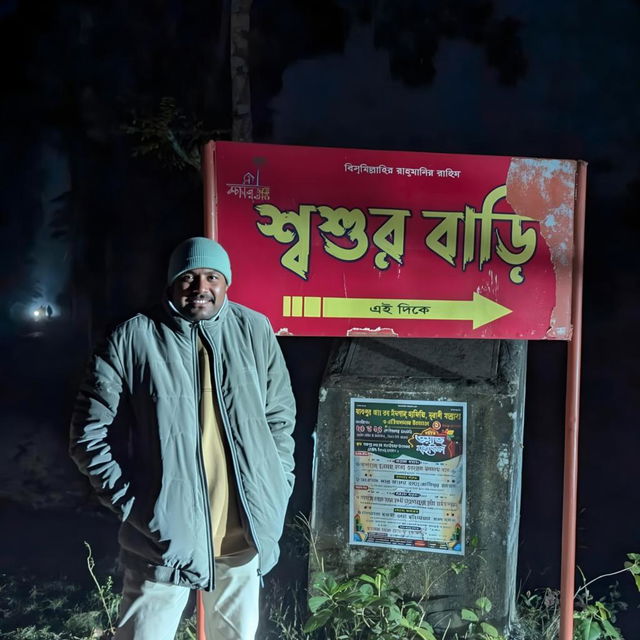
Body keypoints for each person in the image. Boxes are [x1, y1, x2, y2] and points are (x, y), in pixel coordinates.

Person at [70, 237, 296, 640]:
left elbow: (279, 419)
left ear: (226, 283)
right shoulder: (134, 337)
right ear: (172, 283)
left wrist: (277, 488)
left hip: (242, 535)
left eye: (211, 276)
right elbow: (88, 434)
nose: (200, 287)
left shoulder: (255, 329)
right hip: (161, 539)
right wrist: (133, 507)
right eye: (188, 277)